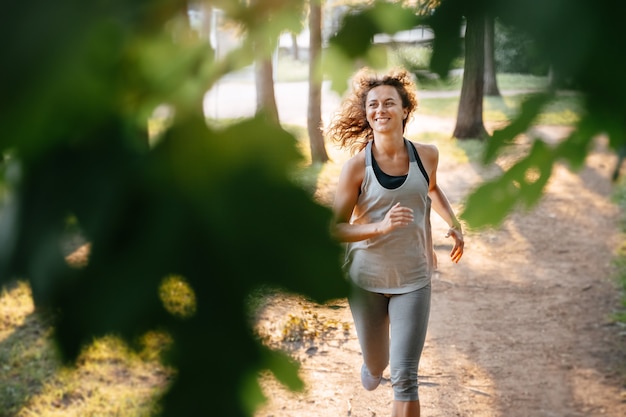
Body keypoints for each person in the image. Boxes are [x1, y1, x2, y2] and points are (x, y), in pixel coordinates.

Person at [327, 67, 464, 417]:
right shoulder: (356, 168)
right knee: (379, 367)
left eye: (390, 102)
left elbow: (431, 189)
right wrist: (379, 227)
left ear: (405, 110)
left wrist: (454, 223)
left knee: (406, 378)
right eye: (373, 104)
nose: (380, 110)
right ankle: (372, 368)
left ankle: (389, 374)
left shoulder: (427, 155)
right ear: (367, 114)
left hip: (413, 280)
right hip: (366, 281)